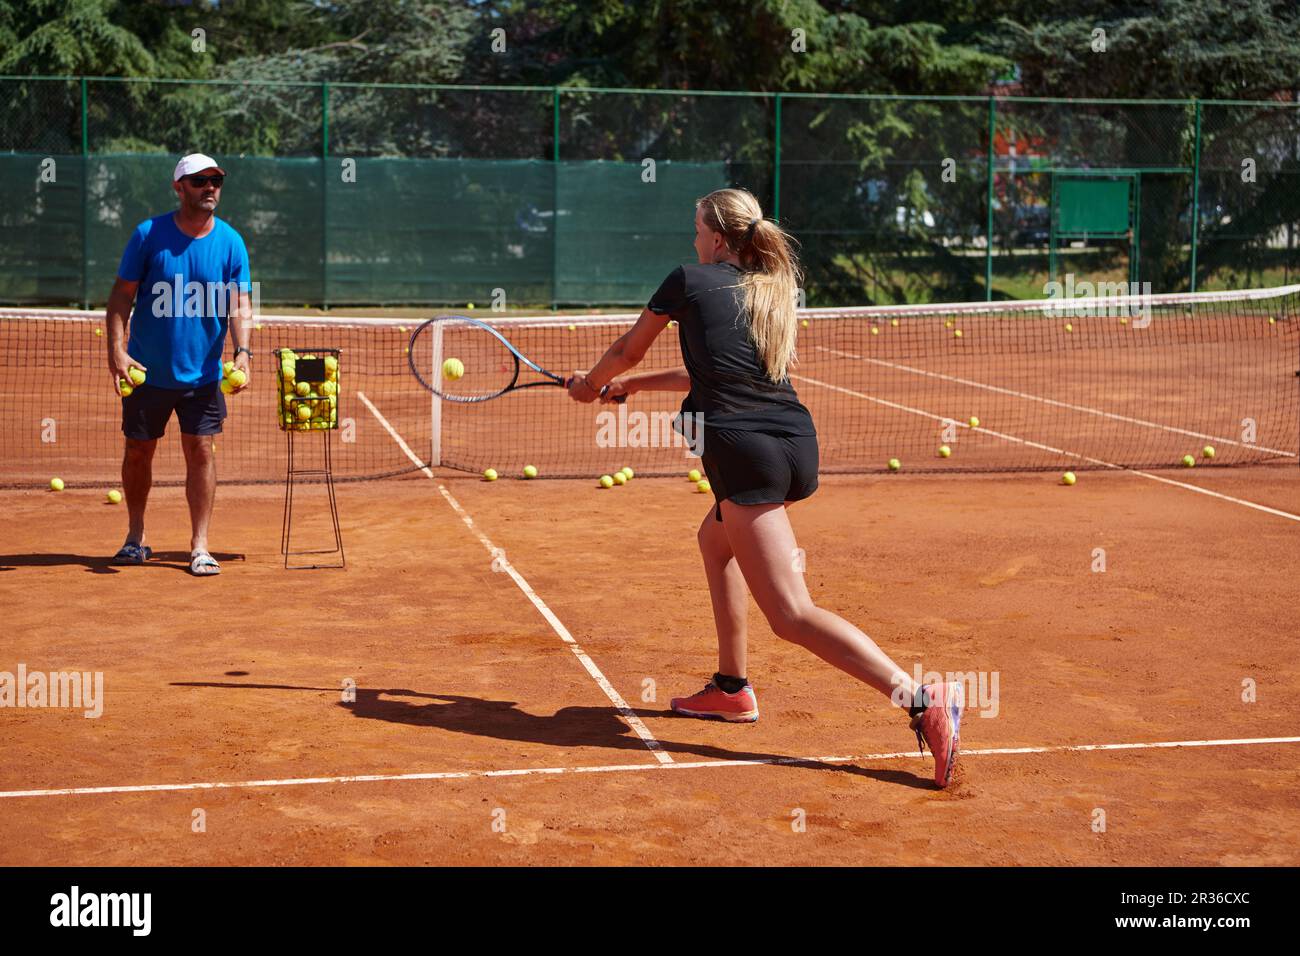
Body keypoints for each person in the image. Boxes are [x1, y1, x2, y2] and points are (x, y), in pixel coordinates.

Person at [567, 187, 963, 787]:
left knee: (791, 614)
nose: (694, 239)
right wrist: (633, 389)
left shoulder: (687, 279)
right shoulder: (767, 290)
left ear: (717, 239)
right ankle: (731, 687)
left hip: (742, 454)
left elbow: (625, 348)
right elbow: (705, 371)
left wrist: (591, 384)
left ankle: (919, 699)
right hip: (792, 444)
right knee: (715, 540)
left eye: (698, 229)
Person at [104, 153, 253, 576]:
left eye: (216, 180)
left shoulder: (231, 242)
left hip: (204, 376)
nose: (210, 187)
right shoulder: (148, 235)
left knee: (201, 451)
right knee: (138, 451)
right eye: (200, 180)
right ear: (179, 187)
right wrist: (117, 349)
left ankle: (200, 545)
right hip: (147, 372)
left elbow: (240, 303)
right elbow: (120, 296)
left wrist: (243, 351)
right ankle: (135, 538)